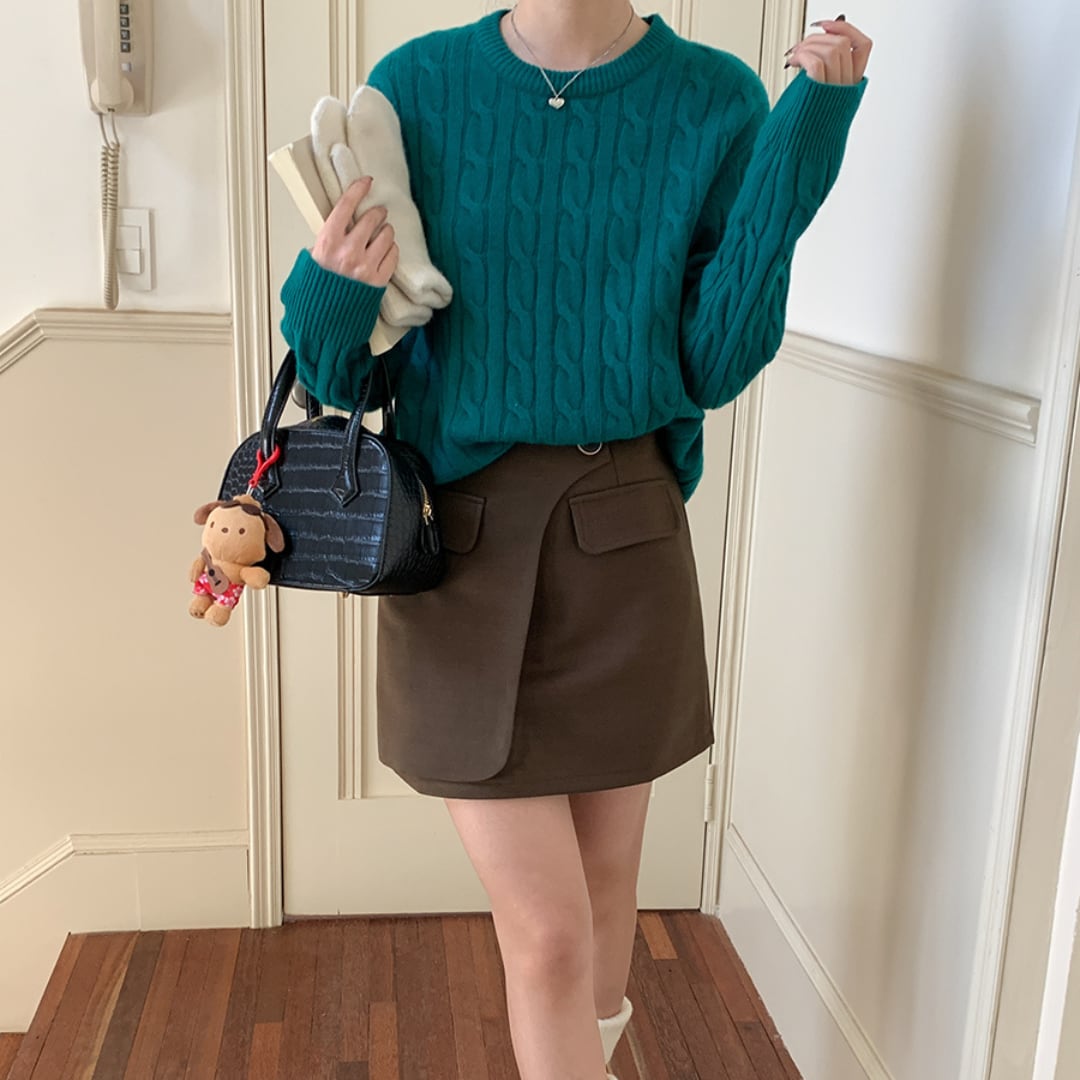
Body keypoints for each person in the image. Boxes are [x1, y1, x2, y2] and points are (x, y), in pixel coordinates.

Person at [280, 3, 872, 1077]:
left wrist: (804, 143)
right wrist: (329, 285)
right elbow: (342, 377)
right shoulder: (415, 86)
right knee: (550, 936)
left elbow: (713, 363)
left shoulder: (715, 98)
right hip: (456, 548)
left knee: (601, 910)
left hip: (627, 537)